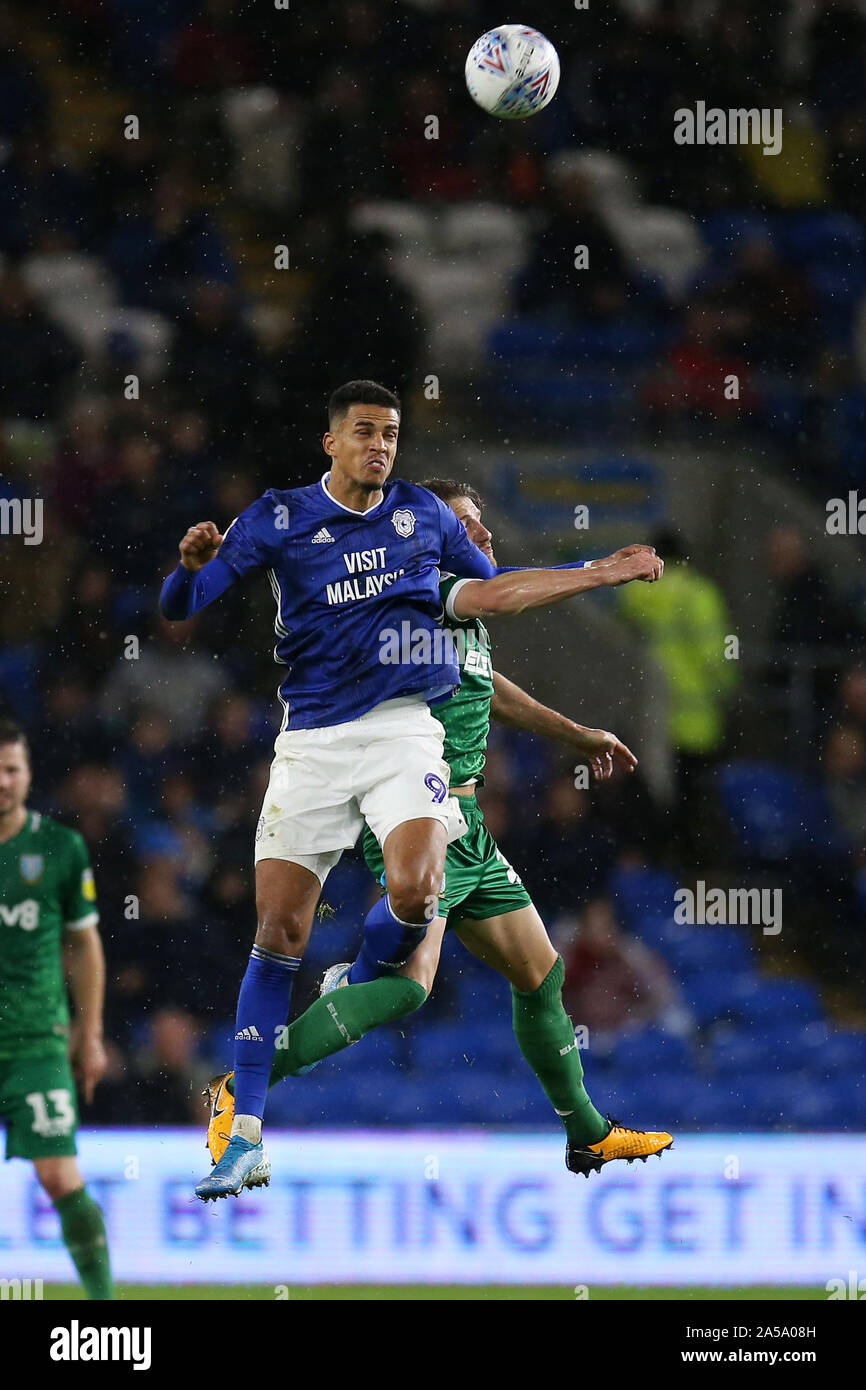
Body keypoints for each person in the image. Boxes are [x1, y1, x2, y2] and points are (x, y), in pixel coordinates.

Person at [160, 380, 663, 1200]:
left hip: (420, 768)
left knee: (528, 967)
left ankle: (586, 1132)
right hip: (325, 748)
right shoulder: (298, 524)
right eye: (364, 432)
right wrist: (186, 573)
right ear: (331, 440)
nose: (381, 446)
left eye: (392, 433)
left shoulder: (428, 556)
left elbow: (493, 639)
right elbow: (186, 603)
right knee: (316, 944)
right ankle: (250, 1109)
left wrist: (591, 597)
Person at [0, 720, 113, 1298]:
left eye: (12, 769)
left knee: (59, 1175)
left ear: (28, 774)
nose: (3, 781)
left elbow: (84, 943)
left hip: (35, 1042)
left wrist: (89, 1035)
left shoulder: (58, 849)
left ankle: (105, 1308)